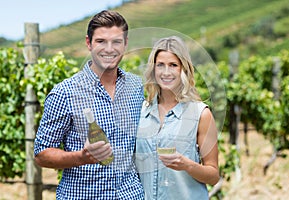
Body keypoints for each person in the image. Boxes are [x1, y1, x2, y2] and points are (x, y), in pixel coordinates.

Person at [34, 10, 145, 199]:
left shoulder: (136, 87)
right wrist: (80, 157)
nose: (109, 49)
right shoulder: (65, 92)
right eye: (101, 41)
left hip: (131, 194)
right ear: (89, 43)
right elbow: (41, 154)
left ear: (125, 44)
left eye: (116, 42)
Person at [135, 36, 219, 199]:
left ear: (183, 69)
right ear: (153, 69)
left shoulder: (200, 114)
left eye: (173, 65)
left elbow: (213, 175)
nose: (166, 72)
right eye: (160, 65)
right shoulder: (141, 112)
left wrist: (187, 165)